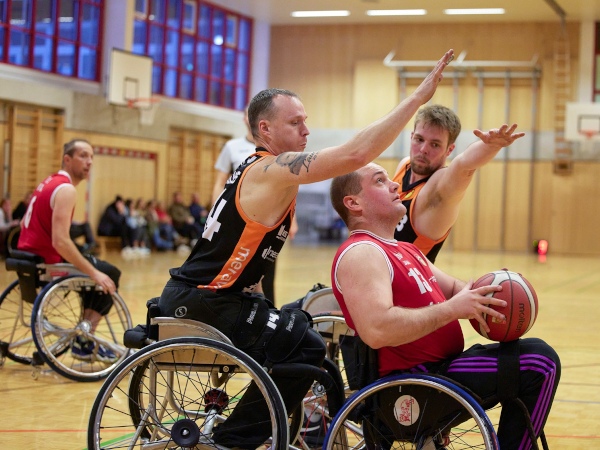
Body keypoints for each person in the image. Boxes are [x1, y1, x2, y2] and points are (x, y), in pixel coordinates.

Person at [157, 49, 455, 447]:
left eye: (305, 121)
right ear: (265, 128)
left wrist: (260, 300)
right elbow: (355, 155)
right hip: (204, 300)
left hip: (216, 297)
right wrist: (418, 97)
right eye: (295, 122)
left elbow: (246, 257)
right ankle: (233, 440)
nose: (306, 131)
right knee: (305, 345)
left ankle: (292, 423)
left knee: (301, 321)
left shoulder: (269, 176)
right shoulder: (269, 169)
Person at [329, 162, 561, 450]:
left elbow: (453, 288)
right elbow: (377, 329)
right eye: (379, 181)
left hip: (439, 371)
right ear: (354, 203)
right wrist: (453, 309)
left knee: (534, 353)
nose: (394, 185)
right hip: (413, 383)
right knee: (539, 362)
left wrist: (492, 290)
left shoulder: (405, 248)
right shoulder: (361, 252)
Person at [17, 139, 122, 363]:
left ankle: (84, 335)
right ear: (67, 159)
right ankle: (84, 341)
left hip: (28, 256)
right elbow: (60, 242)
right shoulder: (66, 190)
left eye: (91, 157)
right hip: (49, 262)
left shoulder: (48, 182)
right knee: (109, 274)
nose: (89, 162)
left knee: (94, 266)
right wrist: (94, 273)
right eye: (83, 156)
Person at [392, 104, 525, 263]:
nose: (423, 149)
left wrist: (491, 146)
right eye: (419, 139)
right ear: (412, 136)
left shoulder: (440, 187)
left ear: (449, 150)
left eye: (435, 144)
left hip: (405, 278)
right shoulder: (405, 165)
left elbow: (464, 165)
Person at [210, 105, 298, 302]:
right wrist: (216, 214)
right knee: (235, 267)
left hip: (268, 220)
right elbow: (220, 183)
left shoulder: (274, 150)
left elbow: (287, 189)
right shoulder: (232, 147)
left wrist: (293, 219)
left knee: (266, 268)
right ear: (244, 119)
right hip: (237, 217)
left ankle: (267, 310)